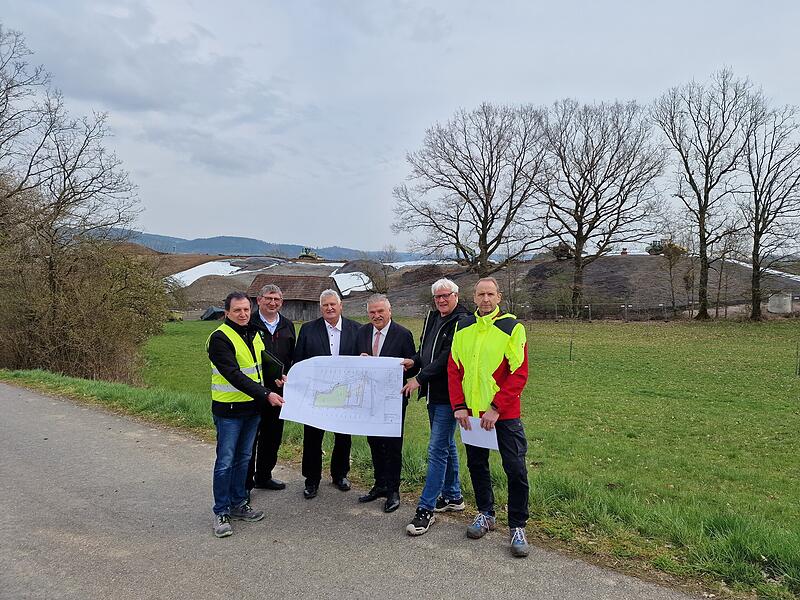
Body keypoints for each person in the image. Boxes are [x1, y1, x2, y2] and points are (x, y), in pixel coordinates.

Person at [448, 277, 531, 557]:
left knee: (515, 469)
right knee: (477, 466)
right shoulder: (463, 326)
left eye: (490, 294)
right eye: (481, 294)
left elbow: (519, 373)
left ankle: (518, 526)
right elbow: (454, 370)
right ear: (474, 297)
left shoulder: (512, 327)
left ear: (499, 296)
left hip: (503, 414)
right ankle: (486, 513)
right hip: (471, 414)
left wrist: (496, 407)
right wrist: (458, 405)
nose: (485, 299)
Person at [206, 292, 285, 538]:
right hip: (229, 410)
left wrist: (276, 377)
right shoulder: (219, 338)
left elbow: (261, 364)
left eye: (245, 310)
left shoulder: (254, 332)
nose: (242, 314)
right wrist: (266, 394)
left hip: (252, 409)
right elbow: (234, 375)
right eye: (237, 310)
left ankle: (239, 503)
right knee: (225, 461)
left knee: (244, 458)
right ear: (227, 312)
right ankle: (221, 511)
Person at [401, 278, 469, 535]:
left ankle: (425, 509)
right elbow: (426, 352)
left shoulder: (463, 321)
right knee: (446, 444)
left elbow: (447, 358)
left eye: (446, 295)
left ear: (456, 295)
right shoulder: (433, 318)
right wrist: (413, 362)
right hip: (433, 394)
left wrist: (419, 378)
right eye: (437, 296)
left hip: (449, 394)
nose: (441, 300)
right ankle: (453, 496)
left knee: (437, 449)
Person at [293, 289, 360, 499]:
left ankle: (339, 475)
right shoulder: (307, 330)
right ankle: (311, 480)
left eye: (333, 304)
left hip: (345, 394)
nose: (329, 308)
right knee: (313, 438)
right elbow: (299, 361)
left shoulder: (356, 329)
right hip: (316, 396)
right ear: (320, 308)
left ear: (341, 306)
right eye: (325, 305)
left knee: (343, 437)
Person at [355, 294, 416, 513]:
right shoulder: (362, 332)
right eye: (372, 312)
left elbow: (414, 364)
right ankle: (379, 484)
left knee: (392, 446)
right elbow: (354, 364)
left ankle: (393, 490)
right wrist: (359, 359)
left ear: (389, 311)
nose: (376, 315)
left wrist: (409, 365)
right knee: (374, 443)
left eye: (380, 311)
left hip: (393, 400)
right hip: (369, 399)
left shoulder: (403, 334)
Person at [246, 284, 295, 494]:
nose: (272, 303)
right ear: (259, 300)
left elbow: (292, 356)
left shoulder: (287, 325)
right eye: (268, 298)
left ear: (281, 302)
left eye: (276, 299)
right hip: (254, 392)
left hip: (279, 392)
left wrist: (288, 376)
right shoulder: (249, 323)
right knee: (250, 440)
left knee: (272, 436)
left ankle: (264, 476)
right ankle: (245, 484)